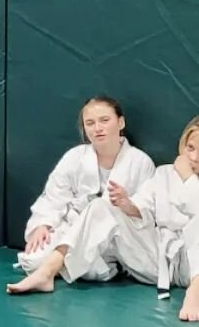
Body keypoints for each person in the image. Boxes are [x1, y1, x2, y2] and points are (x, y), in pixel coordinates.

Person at [8, 116, 199, 319]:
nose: (194, 157)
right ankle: (47, 272)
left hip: (191, 267)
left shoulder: (182, 173)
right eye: (190, 147)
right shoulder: (165, 174)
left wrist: (188, 178)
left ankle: (195, 292)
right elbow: (141, 208)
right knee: (102, 206)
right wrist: (126, 203)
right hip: (158, 261)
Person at [13, 97, 155, 277]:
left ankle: (62, 268)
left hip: (116, 237)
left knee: (99, 216)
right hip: (73, 227)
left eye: (105, 120)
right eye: (90, 123)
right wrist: (43, 224)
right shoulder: (74, 157)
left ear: (120, 122)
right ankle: (81, 266)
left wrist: (127, 204)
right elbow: (53, 197)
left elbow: (149, 211)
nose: (98, 128)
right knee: (32, 261)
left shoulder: (141, 162)